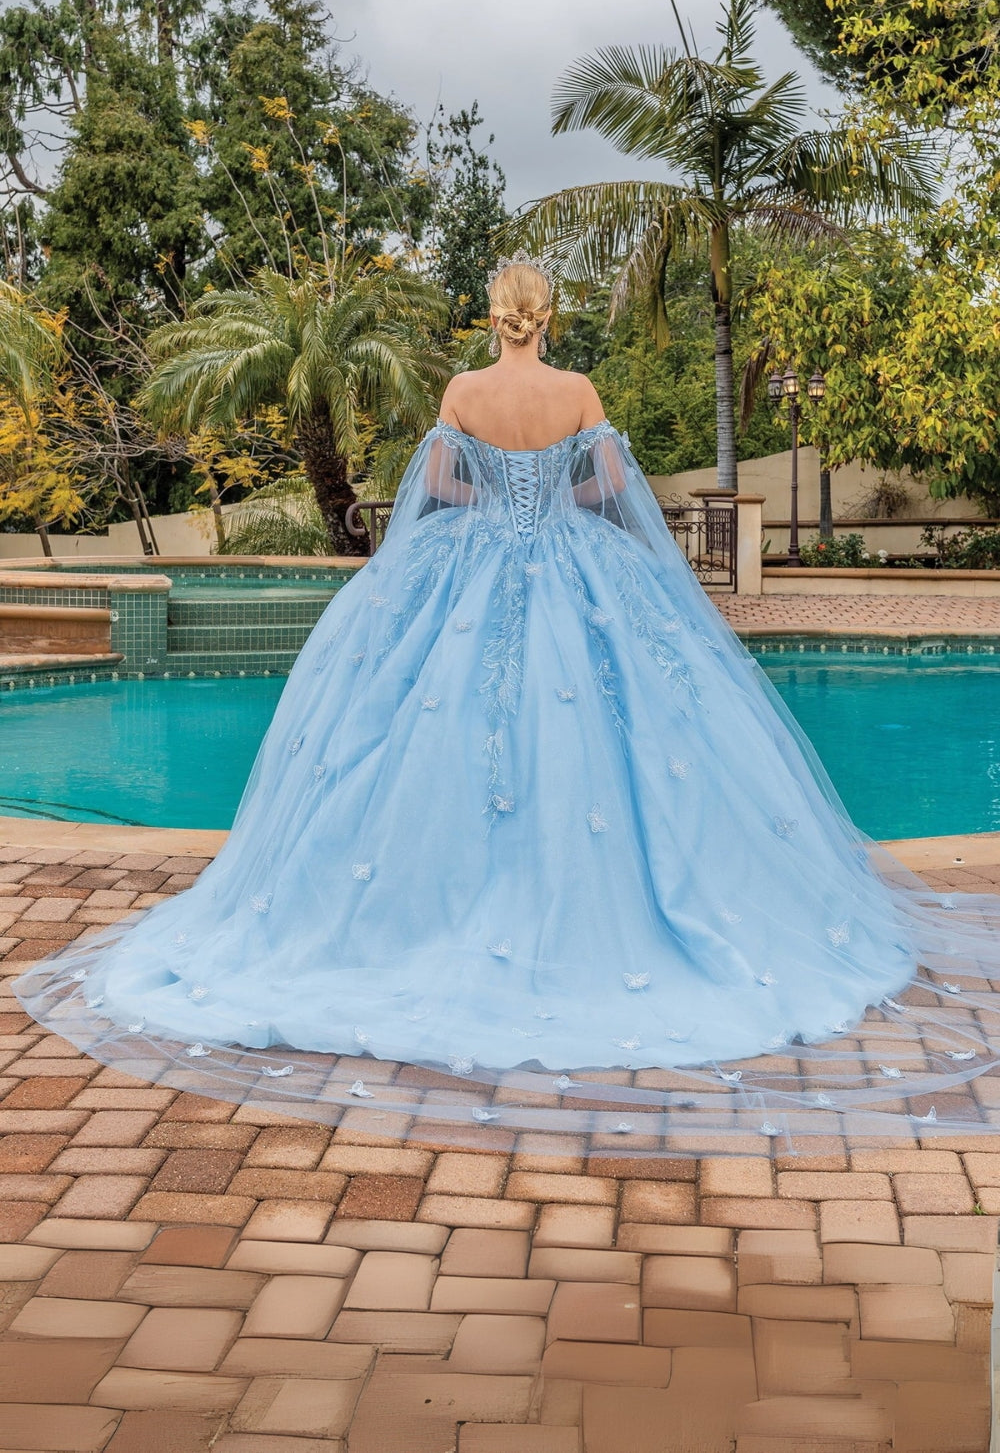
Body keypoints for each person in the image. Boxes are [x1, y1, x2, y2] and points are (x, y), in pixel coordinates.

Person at [12, 255, 1000, 1154]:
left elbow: (440, 487)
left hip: (472, 569)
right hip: (576, 567)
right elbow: (613, 487)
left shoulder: (463, 391)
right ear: (546, 315)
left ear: (493, 317)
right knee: (609, 739)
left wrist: (494, 501)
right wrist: (555, 502)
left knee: (437, 736)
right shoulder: (576, 391)